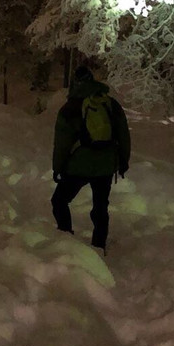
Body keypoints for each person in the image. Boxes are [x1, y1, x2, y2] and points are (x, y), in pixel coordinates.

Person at [51, 65, 131, 253]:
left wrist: (58, 168)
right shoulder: (110, 104)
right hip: (105, 165)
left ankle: (66, 237)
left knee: (59, 201)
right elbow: (123, 135)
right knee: (100, 207)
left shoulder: (69, 109)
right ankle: (99, 245)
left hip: (78, 166)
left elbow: (62, 142)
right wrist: (123, 161)